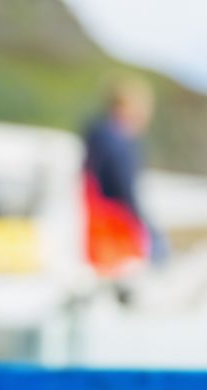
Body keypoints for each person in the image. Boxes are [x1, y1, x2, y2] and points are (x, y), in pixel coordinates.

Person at [82, 77, 165, 273]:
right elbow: (125, 190)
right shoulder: (118, 140)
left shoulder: (97, 134)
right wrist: (148, 227)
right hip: (115, 231)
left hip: (97, 231)